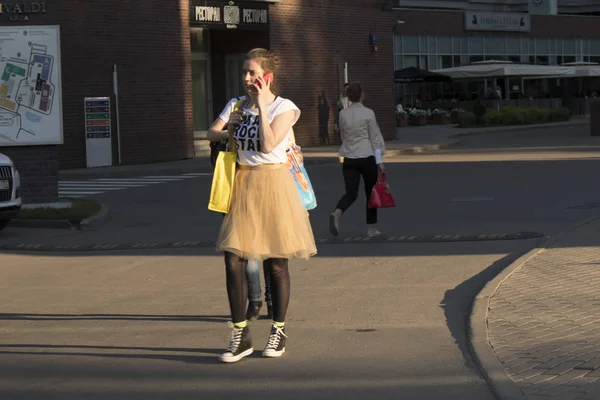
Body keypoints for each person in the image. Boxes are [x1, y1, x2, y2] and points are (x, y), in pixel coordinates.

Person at [207, 48, 317, 363]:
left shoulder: (285, 107)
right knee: (233, 260)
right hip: (243, 185)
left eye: (252, 73)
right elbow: (211, 133)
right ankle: (240, 334)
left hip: (275, 184)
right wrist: (231, 124)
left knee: (276, 263)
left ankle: (278, 331)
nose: (246, 78)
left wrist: (263, 107)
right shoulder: (236, 104)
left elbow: (270, 144)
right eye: (244, 72)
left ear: (267, 77)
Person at [329, 82, 386, 238]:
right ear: (361, 95)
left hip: (349, 157)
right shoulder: (368, 113)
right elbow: (375, 138)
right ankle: (371, 228)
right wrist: (380, 160)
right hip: (366, 156)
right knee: (370, 193)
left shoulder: (343, 114)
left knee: (351, 193)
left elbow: (343, 136)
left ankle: (337, 213)